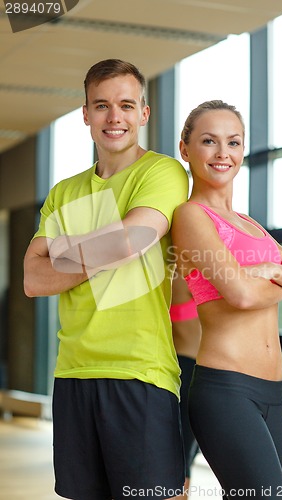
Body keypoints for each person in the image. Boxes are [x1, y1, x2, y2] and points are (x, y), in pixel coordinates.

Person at [23, 59, 189, 500]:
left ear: (144, 113)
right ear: (85, 113)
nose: (114, 117)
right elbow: (33, 279)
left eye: (126, 105)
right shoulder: (63, 191)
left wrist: (62, 250)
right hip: (72, 373)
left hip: (140, 372)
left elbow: (131, 240)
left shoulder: (163, 172)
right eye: (102, 106)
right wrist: (110, 245)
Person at [171, 100, 282, 499]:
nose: (223, 154)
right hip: (227, 390)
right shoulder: (191, 216)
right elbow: (240, 294)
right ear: (185, 150)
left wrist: (271, 273)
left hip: (274, 394)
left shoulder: (251, 225)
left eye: (233, 142)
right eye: (209, 141)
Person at [170, 271, 201, 498]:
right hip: (185, 368)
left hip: (199, 369)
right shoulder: (180, 276)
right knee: (181, 456)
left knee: (185, 453)